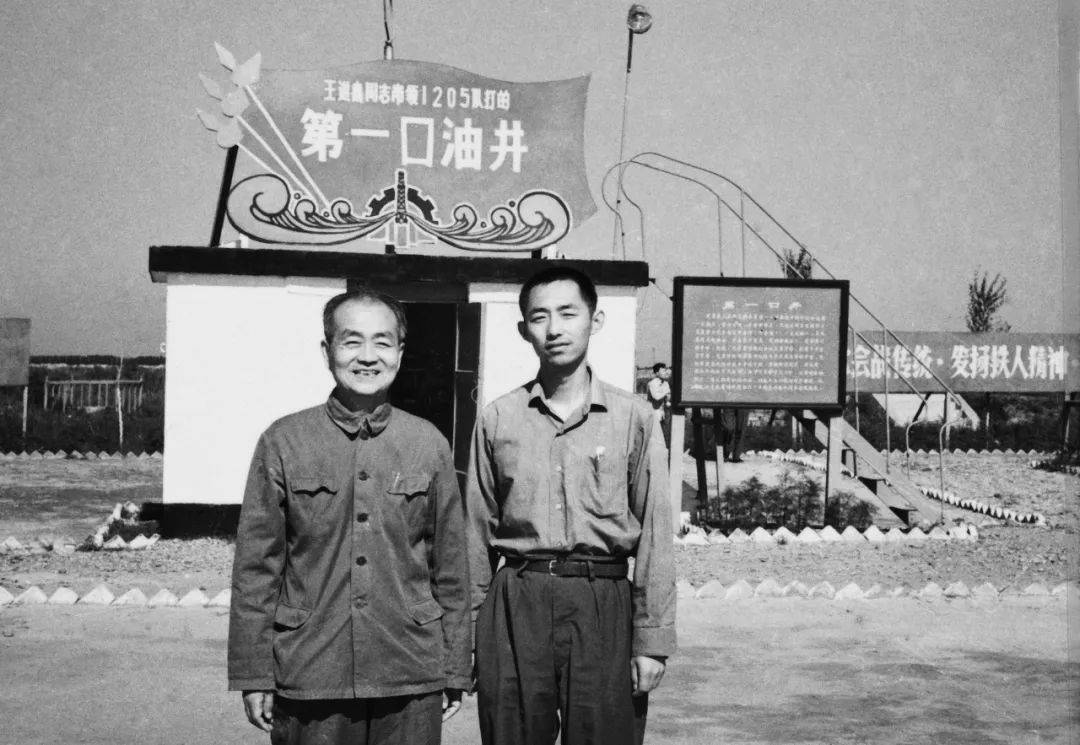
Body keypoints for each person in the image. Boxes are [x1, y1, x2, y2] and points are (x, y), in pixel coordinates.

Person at [228, 288, 471, 745]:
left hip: (410, 669)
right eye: (351, 341)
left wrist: (455, 665)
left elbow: (452, 568)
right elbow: (256, 570)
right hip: (310, 669)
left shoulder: (428, 444)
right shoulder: (283, 441)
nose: (367, 356)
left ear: (400, 352)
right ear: (328, 351)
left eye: (382, 342)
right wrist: (254, 672)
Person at [466, 266, 676, 745]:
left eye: (568, 313)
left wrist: (652, 639)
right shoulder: (498, 418)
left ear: (595, 321)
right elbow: (474, 535)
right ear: (524, 330)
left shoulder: (634, 418)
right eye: (539, 317)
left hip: (602, 601)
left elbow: (656, 535)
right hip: (517, 600)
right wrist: (470, 635)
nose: (554, 329)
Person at [645, 363, 672, 450]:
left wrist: (668, 398)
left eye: (665, 370)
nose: (665, 372)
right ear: (657, 373)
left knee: (662, 436)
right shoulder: (652, 383)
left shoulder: (666, 383)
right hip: (653, 413)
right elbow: (656, 397)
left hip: (662, 413)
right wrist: (666, 392)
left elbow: (667, 400)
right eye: (663, 371)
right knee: (653, 436)